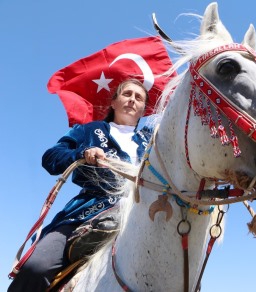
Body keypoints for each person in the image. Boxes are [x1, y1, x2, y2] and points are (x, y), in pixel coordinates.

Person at [8, 78, 152, 292]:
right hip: (88, 212)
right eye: (127, 94)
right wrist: (81, 154)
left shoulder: (152, 141)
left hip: (142, 216)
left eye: (138, 98)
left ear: (142, 110)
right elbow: (51, 157)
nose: (132, 100)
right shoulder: (89, 131)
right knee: (36, 268)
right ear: (113, 103)